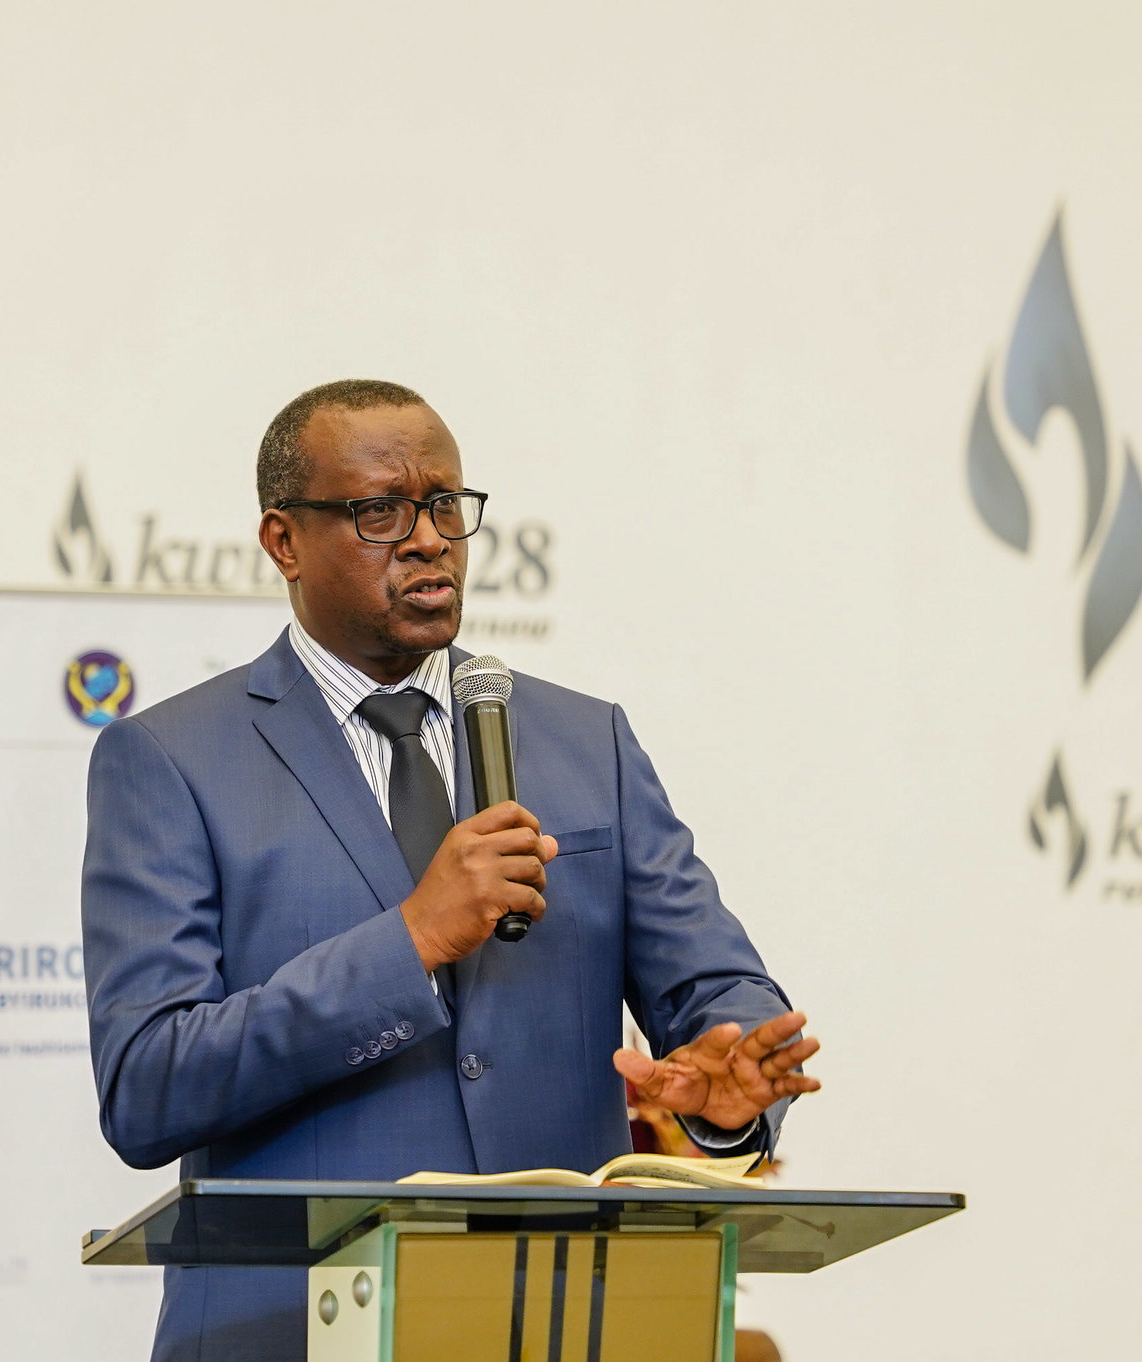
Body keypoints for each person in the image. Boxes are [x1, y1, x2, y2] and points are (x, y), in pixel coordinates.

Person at [81, 379, 820, 1361]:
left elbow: (712, 994)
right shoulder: (170, 761)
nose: (427, 538)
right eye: (379, 511)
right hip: (290, 1334)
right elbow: (146, 1086)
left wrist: (728, 1104)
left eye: (444, 506)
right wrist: (409, 941)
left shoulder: (581, 741)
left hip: (568, 1326)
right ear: (283, 542)